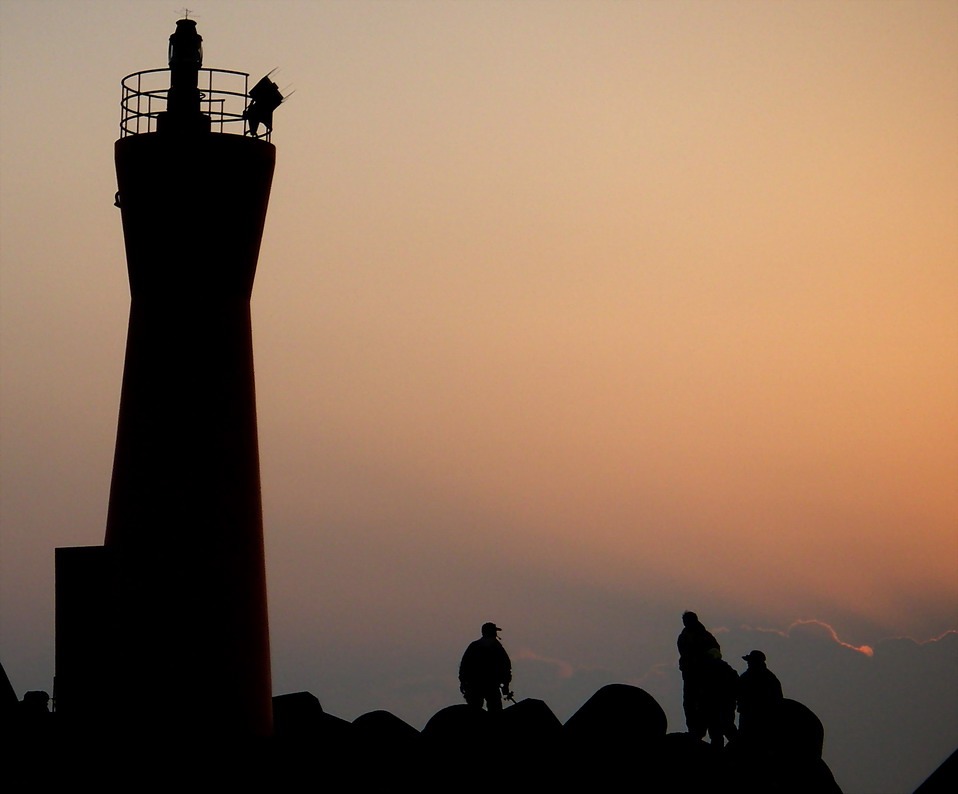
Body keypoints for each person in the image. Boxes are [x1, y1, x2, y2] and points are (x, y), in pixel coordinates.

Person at [677, 611, 721, 738]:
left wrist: (705, 661)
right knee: (690, 704)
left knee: (704, 705)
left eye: (687, 620)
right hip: (690, 676)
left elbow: (716, 653)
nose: (685, 623)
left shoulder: (705, 636)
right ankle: (694, 732)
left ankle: (700, 733)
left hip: (705, 677)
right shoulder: (684, 636)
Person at [459, 622, 512, 712]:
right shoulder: (497, 647)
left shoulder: (474, 646)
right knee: (495, 711)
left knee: (474, 710)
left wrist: (463, 682)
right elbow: (506, 667)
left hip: (474, 685)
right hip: (492, 686)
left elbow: (464, 667)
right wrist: (505, 685)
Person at [737, 649, 783, 734]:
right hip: (767, 718)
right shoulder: (771, 678)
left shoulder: (746, 677)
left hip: (750, 716)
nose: (748, 663)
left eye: (750, 661)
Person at [701, 649, 739, 747]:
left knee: (718, 733)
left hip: (715, 706)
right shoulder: (729, 671)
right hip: (726, 705)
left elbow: (705, 690)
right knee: (727, 729)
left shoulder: (708, 670)